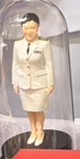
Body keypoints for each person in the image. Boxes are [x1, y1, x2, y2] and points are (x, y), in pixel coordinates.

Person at [11, 12, 55, 145]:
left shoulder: (44, 44)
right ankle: (33, 131)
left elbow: (49, 64)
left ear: (38, 28)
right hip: (24, 83)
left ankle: (40, 131)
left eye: (32, 28)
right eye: (26, 28)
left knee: (39, 109)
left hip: (39, 84)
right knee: (29, 109)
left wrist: (51, 83)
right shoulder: (17, 45)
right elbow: (15, 64)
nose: (29, 31)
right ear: (22, 29)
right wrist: (15, 82)